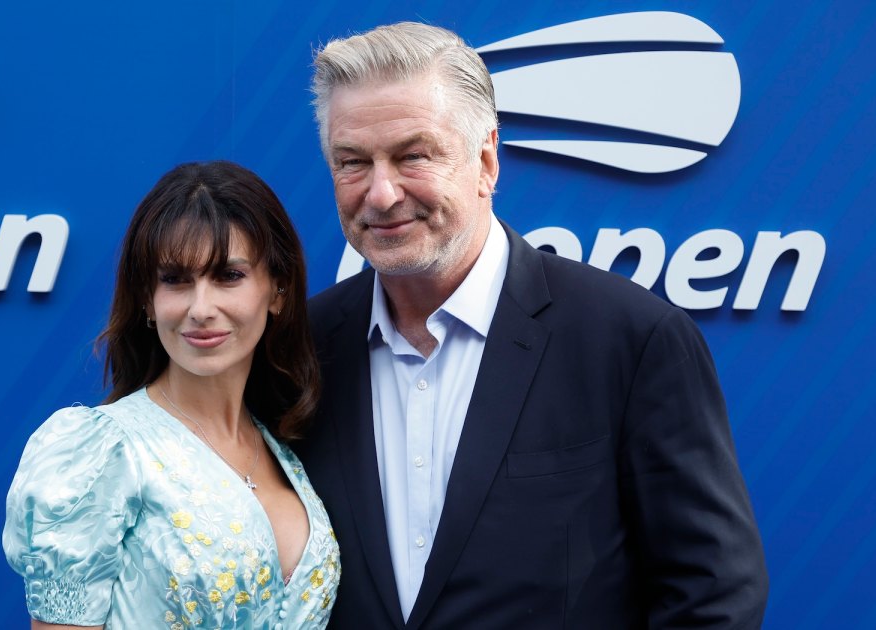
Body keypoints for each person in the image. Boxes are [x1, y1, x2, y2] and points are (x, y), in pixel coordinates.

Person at [296, 22, 769, 629]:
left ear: (485, 160)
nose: (381, 193)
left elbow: (715, 593)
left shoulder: (628, 340)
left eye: (413, 156)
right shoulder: (303, 349)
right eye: (352, 162)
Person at [2, 161, 340, 629]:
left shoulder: (290, 449)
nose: (201, 308)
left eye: (229, 275)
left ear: (278, 290)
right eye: (176, 280)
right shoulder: (102, 452)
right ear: (147, 298)